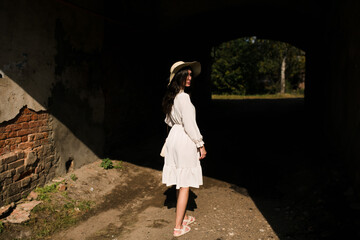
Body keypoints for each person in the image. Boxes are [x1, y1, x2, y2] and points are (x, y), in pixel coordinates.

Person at [161, 61, 207, 237]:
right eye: (186, 74)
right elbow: (190, 124)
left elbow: (169, 121)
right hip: (184, 139)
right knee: (185, 184)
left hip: (174, 137)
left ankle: (184, 217)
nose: (189, 78)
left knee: (181, 180)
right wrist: (200, 144)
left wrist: (177, 130)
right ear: (178, 77)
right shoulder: (184, 98)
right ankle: (178, 227)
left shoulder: (172, 97)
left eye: (190, 75)